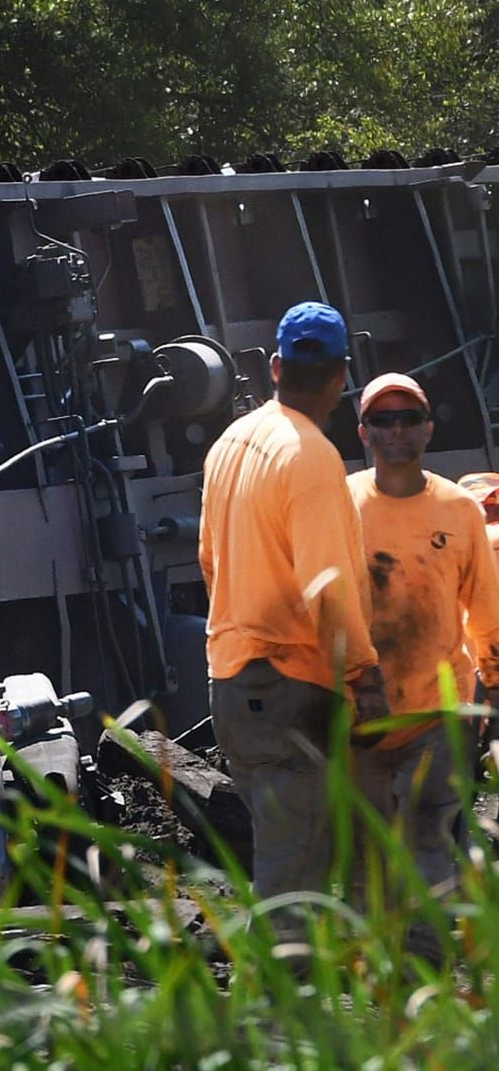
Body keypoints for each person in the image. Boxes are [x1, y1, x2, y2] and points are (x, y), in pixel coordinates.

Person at [199, 301, 388, 898]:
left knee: (300, 850)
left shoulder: (231, 443)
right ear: (341, 374)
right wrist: (364, 675)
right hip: (292, 686)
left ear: (275, 366)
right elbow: (327, 588)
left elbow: (209, 559)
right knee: (295, 881)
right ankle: (280, 986)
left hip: (231, 680)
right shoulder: (310, 456)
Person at [346, 372, 499, 887]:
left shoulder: (458, 509)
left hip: (441, 715)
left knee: (430, 844)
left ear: (428, 428)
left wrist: (494, 693)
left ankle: (426, 962)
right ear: (363, 432)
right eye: (382, 420)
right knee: (371, 860)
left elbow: (485, 607)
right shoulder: (341, 508)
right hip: (361, 718)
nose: (396, 430)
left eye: (408, 418)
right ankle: (382, 963)